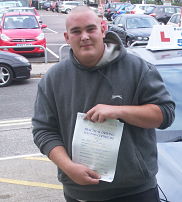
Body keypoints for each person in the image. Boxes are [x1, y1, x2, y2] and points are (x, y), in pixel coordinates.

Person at [32, 6, 175, 202]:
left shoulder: (138, 69)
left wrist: (119, 111)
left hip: (136, 192)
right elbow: (43, 131)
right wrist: (68, 167)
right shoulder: (53, 79)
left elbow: (165, 115)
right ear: (66, 37)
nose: (84, 36)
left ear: (103, 29)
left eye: (90, 29)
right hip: (79, 193)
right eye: (76, 31)